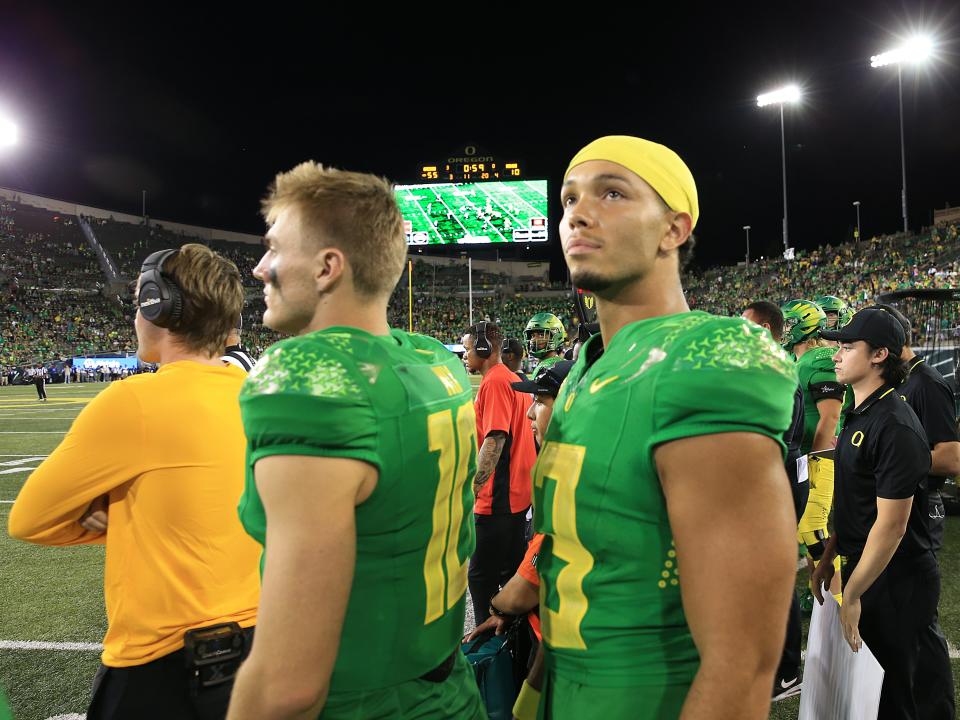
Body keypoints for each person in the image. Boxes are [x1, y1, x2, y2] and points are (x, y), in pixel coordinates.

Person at [518, 136, 798, 720]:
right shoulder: (587, 367)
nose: (577, 213)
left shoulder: (702, 360)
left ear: (673, 229)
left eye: (612, 193)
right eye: (569, 199)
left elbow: (741, 663)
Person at [227, 162, 485, 720]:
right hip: (448, 691)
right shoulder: (435, 362)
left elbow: (288, 686)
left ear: (327, 267)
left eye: (273, 248)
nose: (258, 268)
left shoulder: (309, 375)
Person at [9, 244, 259, 719]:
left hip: (166, 662)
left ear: (155, 305)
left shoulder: (133, 401)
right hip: (263, 646)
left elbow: (28, 521)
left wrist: (116, 515)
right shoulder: (258, 394)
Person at [815, 308, 945, 719]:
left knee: (899, 696)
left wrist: (851, 593)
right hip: (869, 567)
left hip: (897, 577)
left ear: (879, 356)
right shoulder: (863, 411)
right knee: (874, 695)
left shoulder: (894, 424)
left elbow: (891, 525)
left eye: (848, 347)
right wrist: (829, 554)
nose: (836, 355)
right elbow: (859, 502)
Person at [873, 303, 959, 719]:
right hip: (897, 505)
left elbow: (950, 457)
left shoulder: (927, 382)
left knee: (920, 629)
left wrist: (896, 459)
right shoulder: (899, 383)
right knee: (901, 628)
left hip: (922, 510)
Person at [742, 300, 807, 700]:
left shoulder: (777, 371)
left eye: (745, 325)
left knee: (773, 579)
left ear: (765, 329)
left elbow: (775, 444)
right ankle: (772, 661)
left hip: (777, 485)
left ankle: (786, 671)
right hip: (778, 482)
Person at [461, 320, 537, 626]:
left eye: (467, 349)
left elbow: (495, 439)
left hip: (498, 499)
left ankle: (485, 650)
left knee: (480, 578)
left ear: (483, 348)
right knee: (508, 574)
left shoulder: (494, 381)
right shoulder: (511, 377)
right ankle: (512, 644)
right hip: (517, 497)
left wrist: (473, 489)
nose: (464, 355)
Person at [781, 299, 844, 606]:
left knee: (813, 532)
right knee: (807, 533)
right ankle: (816, 593)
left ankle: (843, 599)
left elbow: (830, 416)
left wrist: (817, 458)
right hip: (805, 455)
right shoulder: (796, 360)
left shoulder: (820, 357)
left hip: (821, 456)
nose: (785, 330)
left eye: (791, 324)